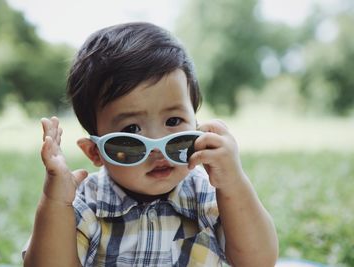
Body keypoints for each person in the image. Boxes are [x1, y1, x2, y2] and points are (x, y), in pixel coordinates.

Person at [23, 22, 278, 267]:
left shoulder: (208, 193)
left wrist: (234, 182)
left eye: (174, 121)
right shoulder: (88, 201)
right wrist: (55, 202)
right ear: (95, 151)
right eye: (132, 130)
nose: (157, 147)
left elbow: (258, 261)